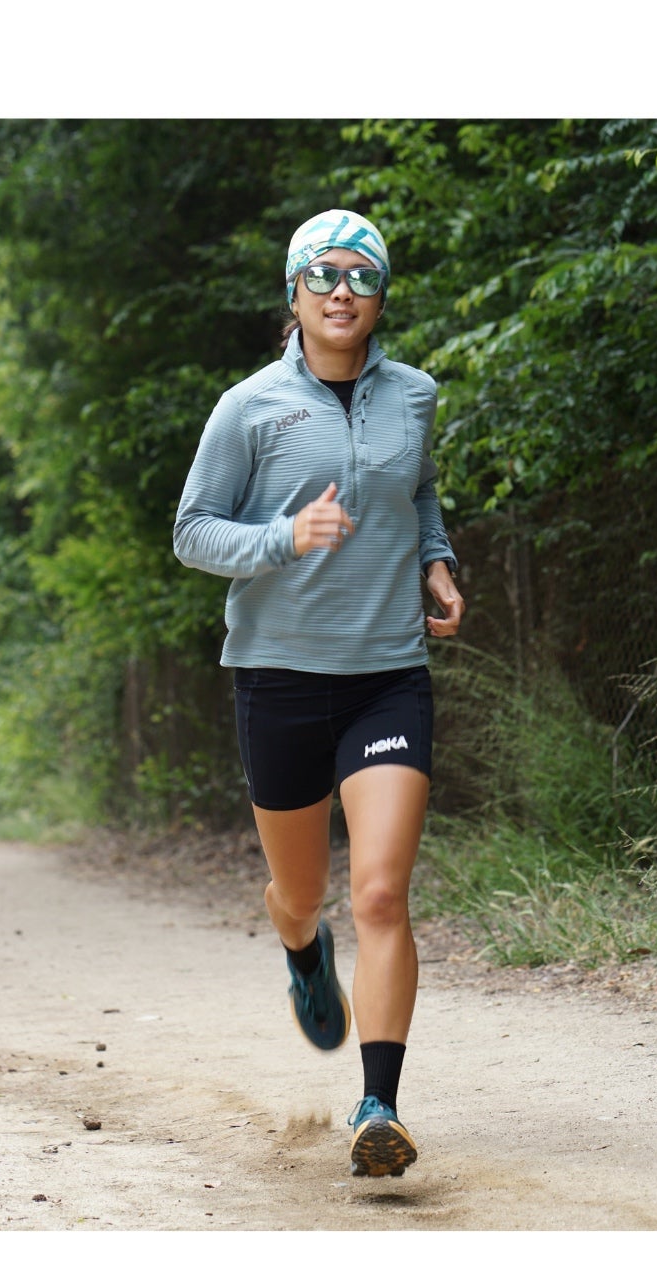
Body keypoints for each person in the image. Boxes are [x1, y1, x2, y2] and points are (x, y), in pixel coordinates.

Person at [172, 210, 465, 1179]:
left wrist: (434, 561)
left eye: (362, 276)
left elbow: (416, 491)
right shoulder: (249, 407)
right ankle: (303, 948)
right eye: (324, 274)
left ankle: (379, 1106)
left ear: (381, 297)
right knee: (302, 894)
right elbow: (192, 531)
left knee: (380, 890)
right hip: (280, 680)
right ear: (294, 292)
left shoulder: (413, 395)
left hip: (387, 676)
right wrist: (282, 540)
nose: (344, 291)